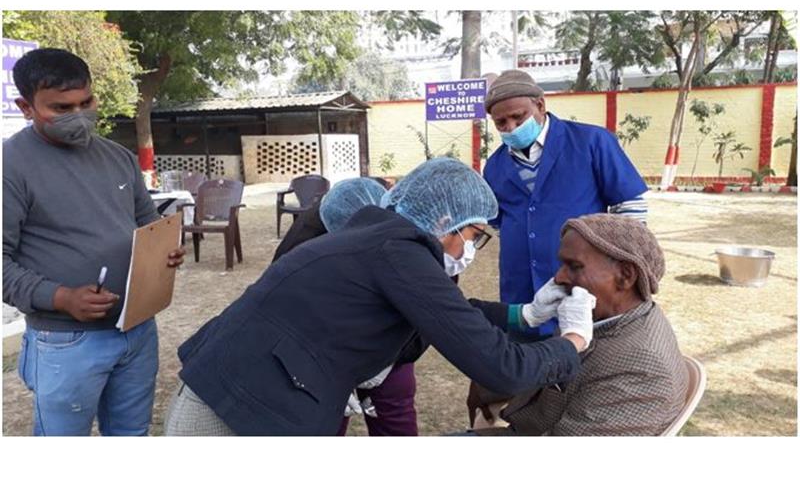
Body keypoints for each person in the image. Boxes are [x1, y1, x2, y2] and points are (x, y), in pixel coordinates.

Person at [164, 157, 595, 436]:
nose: (470, 249)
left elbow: (446, 312)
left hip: (229, 389)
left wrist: (524, 315)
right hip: (233, 411)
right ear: (445, 221)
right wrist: (573, 340)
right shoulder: (400, 253)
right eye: (473, 235)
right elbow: (502, 368)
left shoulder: (378, 239)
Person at [3, 48, 185, 436]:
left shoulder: (118, 158)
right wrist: (61, 297)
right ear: (26, 107)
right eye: (61, 108)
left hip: (136, 331)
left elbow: (147, 222)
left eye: (86, 103)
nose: (79, 115)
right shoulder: (10, 166)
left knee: (131, 437)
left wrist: (164, 250)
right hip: (65, 340)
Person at [467, 214, 689, 436]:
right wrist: (488, 385)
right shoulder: (602, 318)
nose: (559, 277)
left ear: (625, 276)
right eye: (562, 264)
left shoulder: (643, 369)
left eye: (574, 266)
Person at [483, 69, 648, 340]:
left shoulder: (591, 142)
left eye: (518, 117)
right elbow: (500, 222)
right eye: (501, 123)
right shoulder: (495, 166)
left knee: (582, 350)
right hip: (520, 288)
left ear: (540, 105)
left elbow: (630, 206)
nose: (511, 127)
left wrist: (618, 268)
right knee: (525, 357)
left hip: (584, 283)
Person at [272, 177, 420, 436]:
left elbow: (427, 315)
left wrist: (391, 358)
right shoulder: (305, 242)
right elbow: (285, 312)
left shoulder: (411, 234)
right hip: (321, 352)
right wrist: (322, 364)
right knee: (324, 420)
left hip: (390, 348)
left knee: (394, 412)